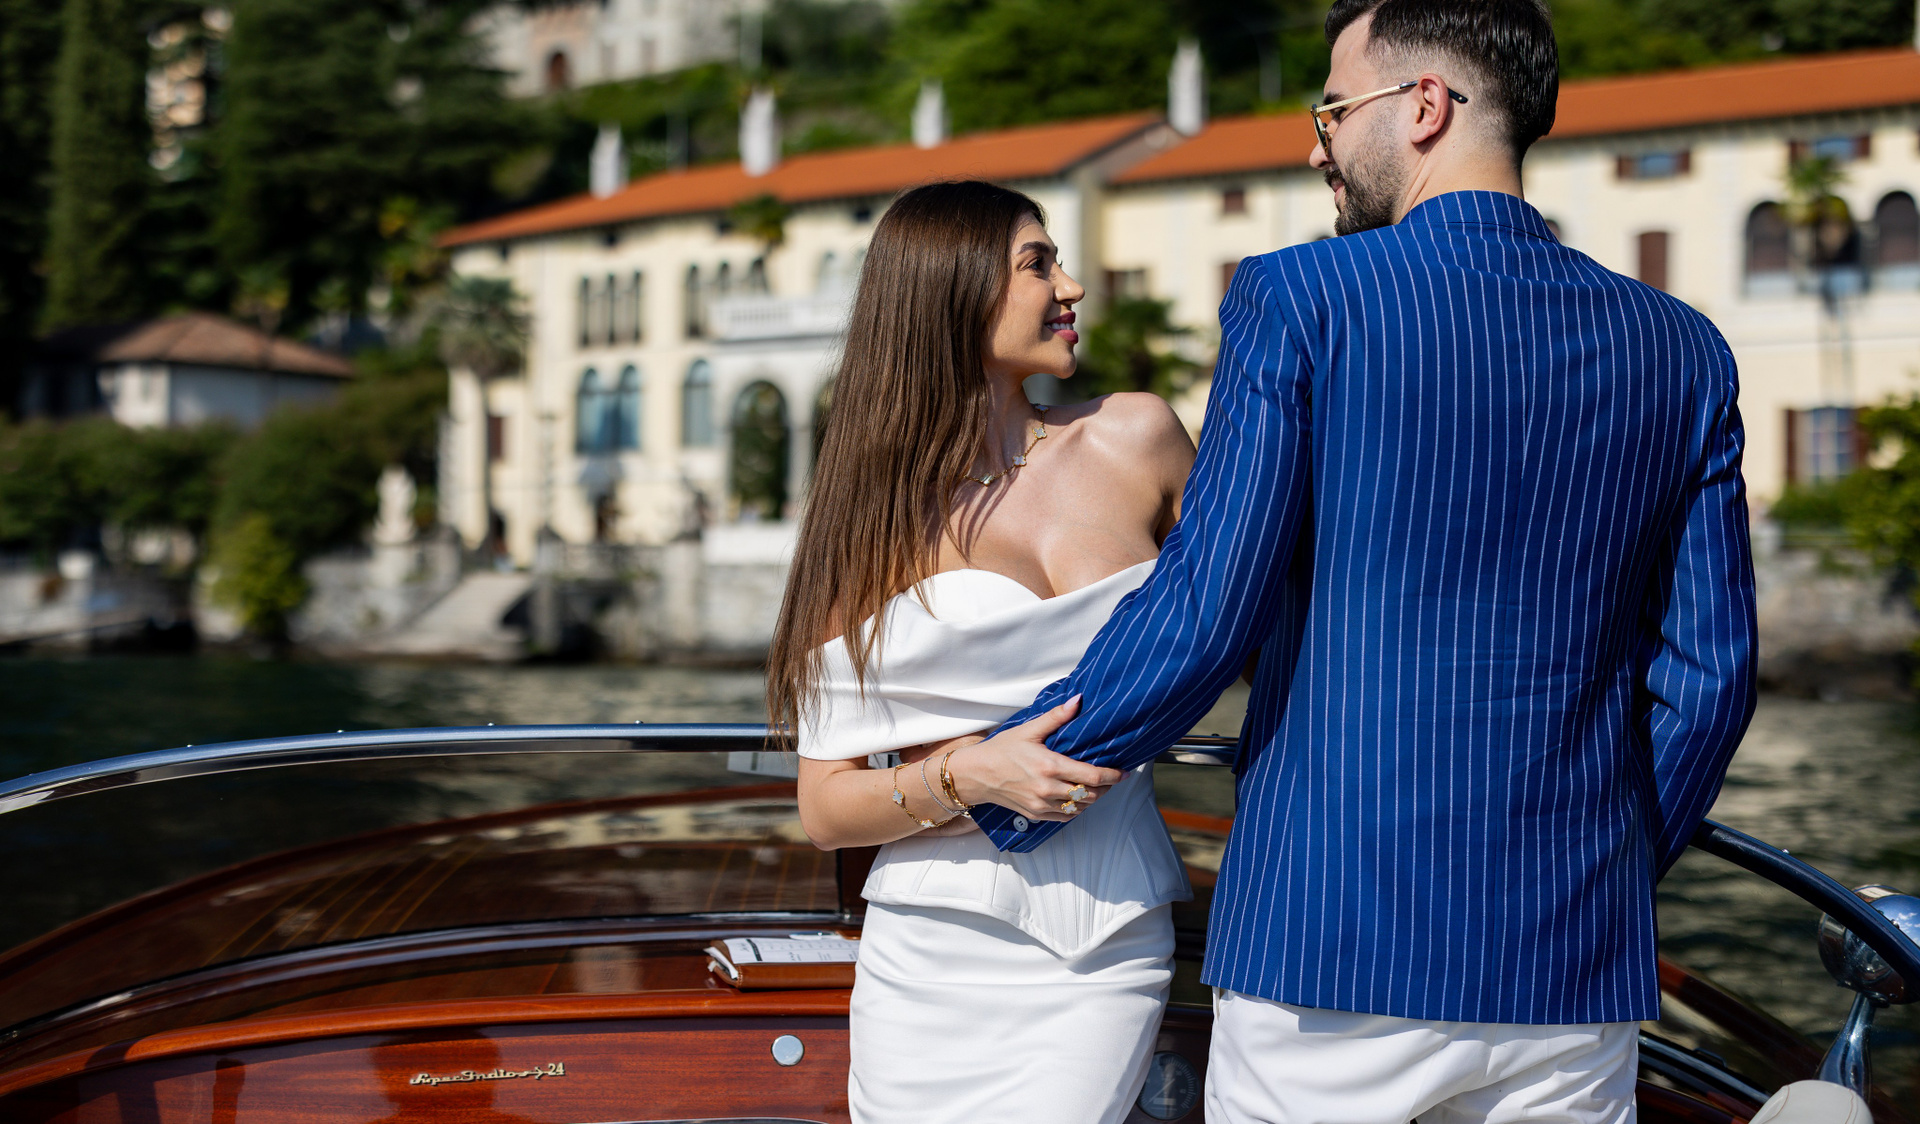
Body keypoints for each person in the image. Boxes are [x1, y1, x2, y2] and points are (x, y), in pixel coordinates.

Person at [962, 1, 1759, 1121]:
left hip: (1329, 941)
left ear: (1424, 105)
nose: (1317, 146)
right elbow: (1712, 678)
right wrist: (1604, 869)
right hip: (1572, 963)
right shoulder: (1683, 347)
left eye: (1332, 110)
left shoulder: (1300, 297)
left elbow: (1207, 609)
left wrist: (1009, 777)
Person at [765, 179, 1199, 1124]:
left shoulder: (1139, 437)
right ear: (954, 291)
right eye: (1038, 264)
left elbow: (1246, 630)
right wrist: (968, 775)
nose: (1071, 285)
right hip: (928, 954)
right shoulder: (870, 519)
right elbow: (825, 808)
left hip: (1108, 940)